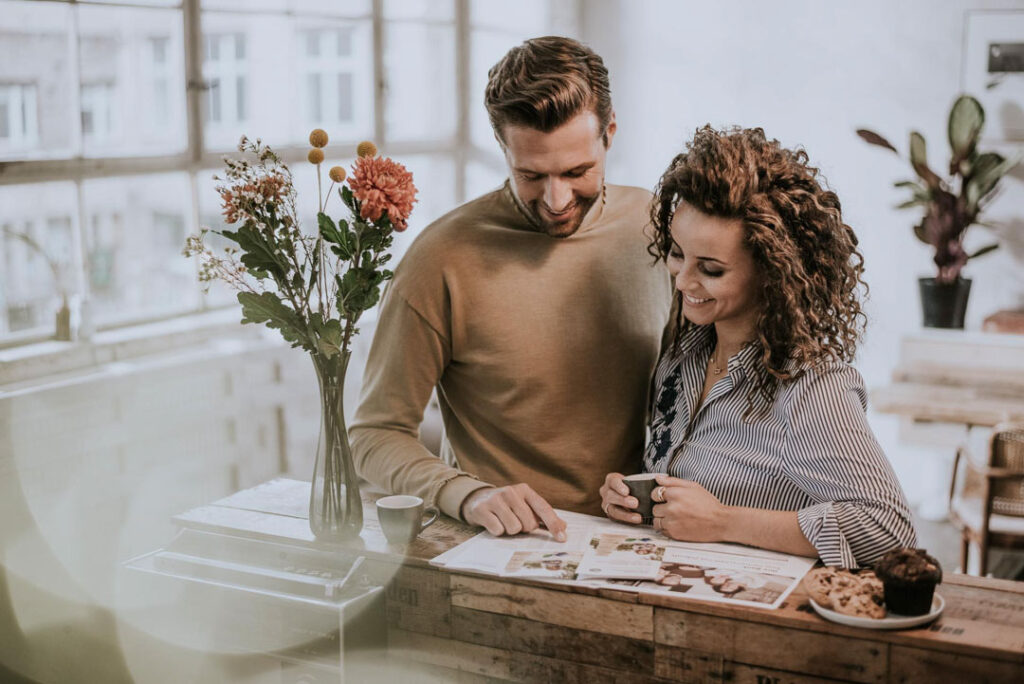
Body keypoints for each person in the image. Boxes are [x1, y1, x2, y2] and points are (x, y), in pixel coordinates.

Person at [351, 36, 672, 539]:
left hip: (633, 542)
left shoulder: (657, 227)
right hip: (495, 545)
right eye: (531, 175)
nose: (556, 199)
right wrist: (467, 494)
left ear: (609, 132)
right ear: (502, 147)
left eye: (577, 172)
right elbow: (374, 435)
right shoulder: (440, 259)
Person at [599, 126, 916, 568]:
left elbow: (889, 529)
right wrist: (633, 499)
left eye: (710, 269)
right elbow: (683, 496)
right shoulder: (684, 354)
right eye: (677, 254)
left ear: (772, 272)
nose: (683, 281)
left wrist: (724, 522)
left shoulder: (812, 386)